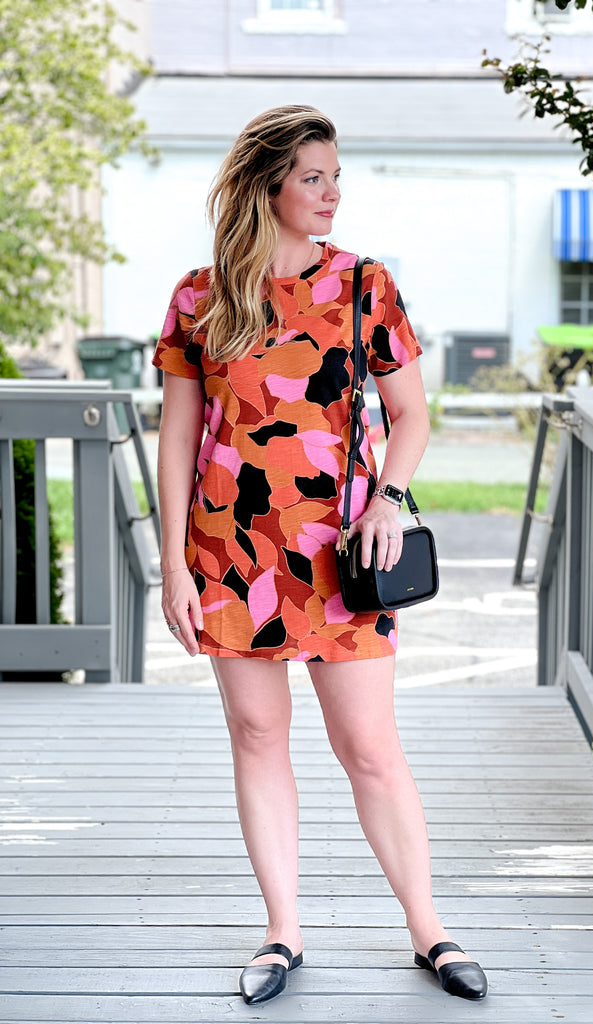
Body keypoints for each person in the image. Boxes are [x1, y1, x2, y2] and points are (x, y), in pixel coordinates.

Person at [152, 105, 488, 1005]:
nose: (332, 193)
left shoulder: (364, 285)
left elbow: (411, 416)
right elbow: (177, 439)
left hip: (343, 553)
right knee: (257, 734)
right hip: (229, 552)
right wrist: (172, 563)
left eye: (336, 176)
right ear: (267, 185)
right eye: (313, 177)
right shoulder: (199, 296)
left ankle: (429, 929)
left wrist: (390, 498)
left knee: (368, 745)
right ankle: (283, 931)